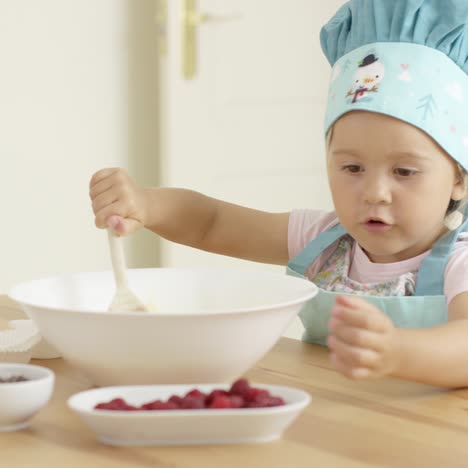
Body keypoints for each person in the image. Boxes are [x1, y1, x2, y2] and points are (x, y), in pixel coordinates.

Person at [90, 0, 468, 388]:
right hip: (333, 430)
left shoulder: (459, 261)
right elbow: (212, 223)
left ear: (459, 177)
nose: (375, 193)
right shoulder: (323, 241)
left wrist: (397, 352)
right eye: (352, 168)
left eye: (404, 171)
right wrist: (147, 204)